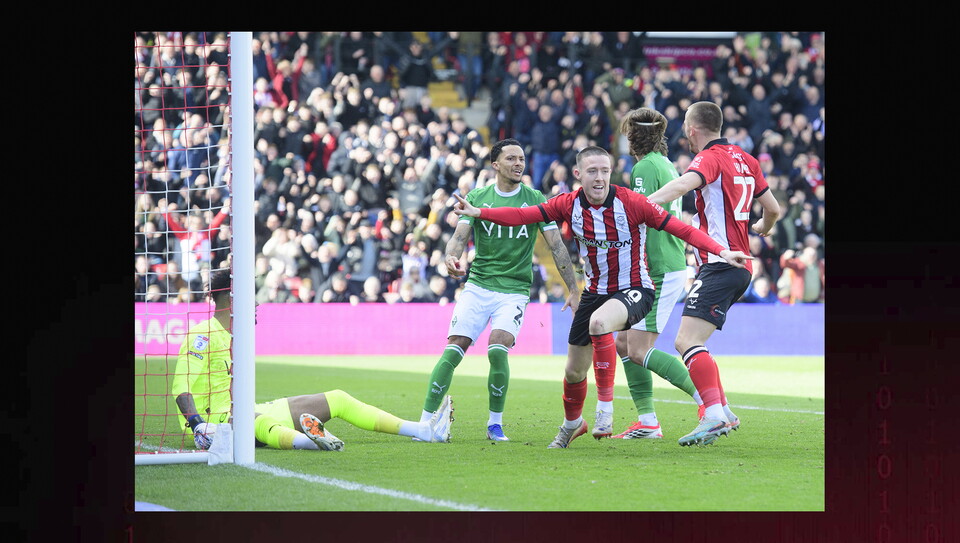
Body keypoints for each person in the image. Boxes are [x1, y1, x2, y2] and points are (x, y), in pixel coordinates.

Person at [452, 145, 753, 448]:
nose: (599, 178)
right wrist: (479, 213)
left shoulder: (632, 203)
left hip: (635, 289)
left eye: (605, 171)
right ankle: (572, 423)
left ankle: (605, 412)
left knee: (599, 323)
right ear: (578, 174)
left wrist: (721, 250)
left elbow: (682, 229)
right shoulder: (568, 203)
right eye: (592, 171)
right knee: (573, 371)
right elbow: (521, 215)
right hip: (594, 293)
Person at [173, 269, 454, 453]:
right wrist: (198, 425)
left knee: (338, 398)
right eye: (249, 294)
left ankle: (424, 431)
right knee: (256, 423)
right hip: (212, 424)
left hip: (244, 410)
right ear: (230, 298)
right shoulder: (203, 336)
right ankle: (308, 442)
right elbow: (181, 390)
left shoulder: (238, 336)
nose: (256, 303)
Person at [418, 138, 580, 442]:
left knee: (498, 347)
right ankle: (423, 422)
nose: (518, 164)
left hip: (515, 289)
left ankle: (495, 424)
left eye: (521, 159)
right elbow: (458, 236)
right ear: (495, 165)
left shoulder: (534, 198)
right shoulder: (479, 196)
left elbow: (556, 245)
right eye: (511, 159)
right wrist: (452, 258)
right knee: (454, 349)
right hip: (478, 285)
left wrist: (573, 288)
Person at [646, 100, 781, 447]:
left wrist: (640, 204)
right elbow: (774, 209)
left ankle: (713, 414)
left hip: (720, 264)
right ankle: (723, 410)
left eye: (687, 134)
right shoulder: (746, 159)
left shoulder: (708, 158)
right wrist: (763, 226)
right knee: (696, 342)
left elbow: (681, 186)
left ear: (693, 130)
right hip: (741, 264)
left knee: (685, 341)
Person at [599, 107, 706, 441]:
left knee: (638, 349)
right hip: (660, 265)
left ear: (632, 136)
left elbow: (639, 215)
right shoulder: (666, 163)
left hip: (658, 269)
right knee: (622, 342)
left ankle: (710, 402)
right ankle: (647, 421)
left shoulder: (644, 167)